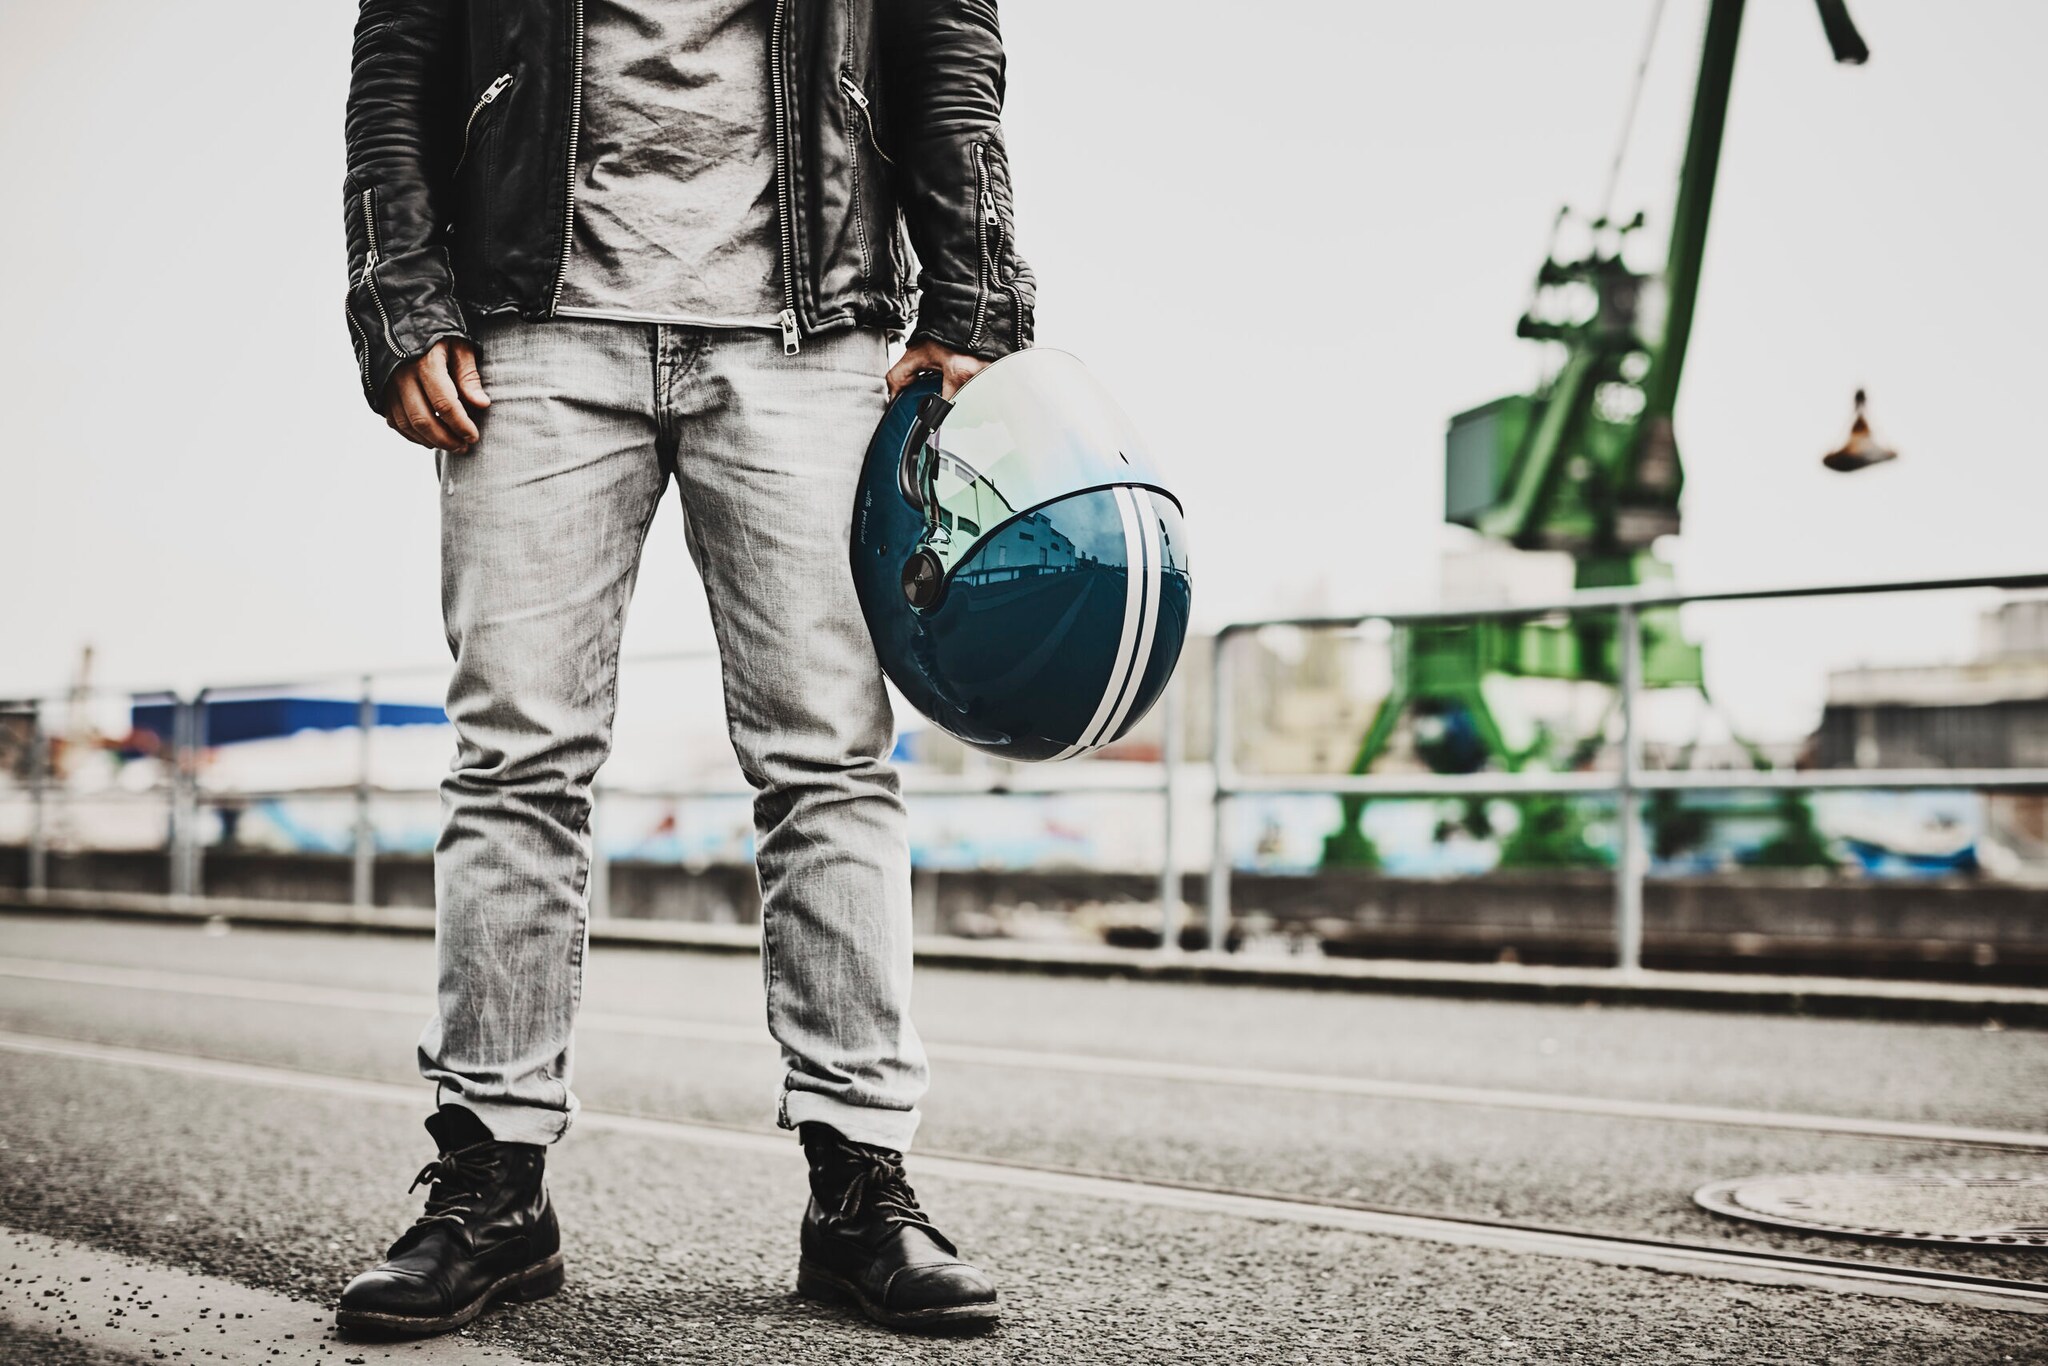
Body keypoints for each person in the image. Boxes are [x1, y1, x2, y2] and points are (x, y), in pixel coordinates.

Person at [334, 0, 1033, 1337]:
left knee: (831, 758)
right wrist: (398, 294)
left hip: (815, 331)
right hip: (529, 322)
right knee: (514, 763)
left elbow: (945, 38)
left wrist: (977, 289)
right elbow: (402, 53)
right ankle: (492, 1176)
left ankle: (860, 1182)